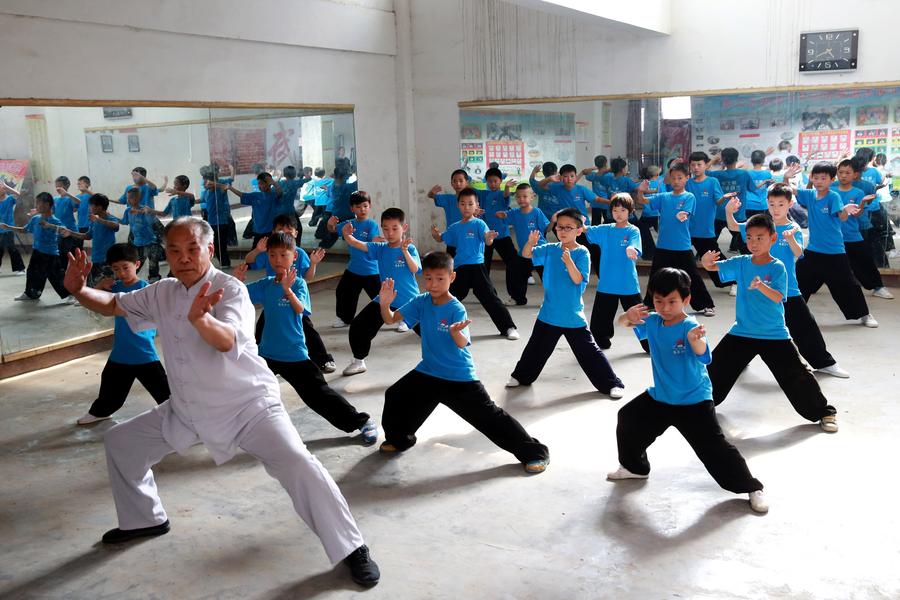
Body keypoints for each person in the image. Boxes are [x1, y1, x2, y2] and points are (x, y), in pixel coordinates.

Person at [61, 217, 380, 587]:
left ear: (209, 250)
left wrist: (201, 319)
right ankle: (145, 519)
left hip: (249, 406)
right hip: (188, 408)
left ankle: (351, 547)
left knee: (298, 463)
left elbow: (228, 340)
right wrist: (80, 290)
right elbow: (115, 304)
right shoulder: (162, 291)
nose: (183, 257)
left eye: (192, 249)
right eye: (174, 250)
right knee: (122, 442)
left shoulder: (230, 289)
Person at [611, 268, 768, 514]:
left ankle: (752, 487)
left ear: (686, 300)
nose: (665, 308)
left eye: (672, 301)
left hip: (694, 401)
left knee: (716, 450)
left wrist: (696, 342)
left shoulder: (690, 326)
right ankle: (635, 468)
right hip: (661, 397)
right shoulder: (653, 321)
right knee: (628, 418)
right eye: (658, 301)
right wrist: (626, 315)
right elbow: (625, 323)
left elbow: (704, 356)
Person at [376, 251, 550, 473]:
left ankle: (535, 453)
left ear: (452, 277)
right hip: (428, 372)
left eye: (440, 278)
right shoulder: (421, 301)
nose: (433, 284)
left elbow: (462, 343)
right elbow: (391, 319)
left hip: (458, 378)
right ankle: (400, 439)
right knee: (395, 395)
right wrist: (385, 304)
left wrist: (455, 332)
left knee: (491, 418)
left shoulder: (456, 308)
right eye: (428, 278)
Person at [702, 213, 840, 434]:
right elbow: (714, 268)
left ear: (773, 238)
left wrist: (761, 286)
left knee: (798, 376)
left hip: (774, 334)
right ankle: (696, 406)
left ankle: (825, 412)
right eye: (749, 237)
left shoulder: (777, 267)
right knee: (715, 370)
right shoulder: (741, 262)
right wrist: (706, 262)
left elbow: (778, 296)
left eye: (760, 238)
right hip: (742, 331)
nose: (754, 243)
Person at [236, 231, 378, 445]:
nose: (277, 260)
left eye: (283, 255)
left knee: (319, 395)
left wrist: (288, 290)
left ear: (294, 256)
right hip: (267, 354)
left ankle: (362, 422)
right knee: (244, 388)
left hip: (294, 355)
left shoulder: (299, 284)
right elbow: (239, 296)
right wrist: (237, 282)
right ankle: (230, 425)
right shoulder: (266, 284)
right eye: (272, 255)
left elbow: (300, 309)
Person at [725, 185, 848, 378]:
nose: (776, 208)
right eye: (772, 204)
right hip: (758, 287)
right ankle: (737, 360)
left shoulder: (793, 228)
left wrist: (790, 239)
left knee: (805, 326)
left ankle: (824, 363)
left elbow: (799, 253)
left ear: (790, 204)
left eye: (781, 204)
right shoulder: (761, 225)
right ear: (767, 203)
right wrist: (728, 211)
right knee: (746, 325)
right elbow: (734, 226)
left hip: (787, 289)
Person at [506, 208, 625, 397]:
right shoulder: (550, 248)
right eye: (560, 227)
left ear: (579, 230)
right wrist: (530, 243)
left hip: (572, 314)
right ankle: (521, 376)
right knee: (535, 349)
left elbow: (578, 280)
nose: (562, 231)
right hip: (549, 312)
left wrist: (569, 262)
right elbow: (527, 255)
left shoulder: (582, 253)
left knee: (590, 353)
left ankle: (611, 384)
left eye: (568, 227)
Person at [75, 243, 171, 426]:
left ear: (137, 264)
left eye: (125, 267)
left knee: (163, 391)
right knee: (110, 387)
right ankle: (100, 412)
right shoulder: (114, 288)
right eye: (116, 269)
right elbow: (94, 302)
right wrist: (99, 286)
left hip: (143, 351)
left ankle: (179, 415)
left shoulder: (145, 289)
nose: (121, 273)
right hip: (121, 350)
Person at [787, 161, 878, 327]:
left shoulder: (833, 196)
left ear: (831, 180)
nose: (819, 181)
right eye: (816, 177)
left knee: (847, 285)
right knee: (797, 281)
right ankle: (788, 314)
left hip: (834, 251)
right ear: (811, 178)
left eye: (824, 178)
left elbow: (842, 218)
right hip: (813, 250)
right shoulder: (809, 194)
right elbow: (789, 190)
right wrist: (786, 178)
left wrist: (845, 210)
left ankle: (864, 314)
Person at [242, 214, 335, 372]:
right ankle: (261, 361)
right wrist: (258, 250)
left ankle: (323, 359)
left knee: (307, 330)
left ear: (296, 234)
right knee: (263, 329)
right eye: (280, 231)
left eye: (289, 231)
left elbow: (308, 276)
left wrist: (313, 264)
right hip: (272, 297)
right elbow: (249, 260)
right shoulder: (269, 251)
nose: (278, 259)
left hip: (294, 299)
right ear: (273, 233)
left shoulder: (298, 253)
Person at [431, 187, 519, 340]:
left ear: (476, 205)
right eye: (463, 204)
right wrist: (436, 234)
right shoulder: (455, 227)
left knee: (490, 298)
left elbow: (487, 240)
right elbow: (441, 238)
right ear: (458, 205)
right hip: (460, 269)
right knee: (448, 297)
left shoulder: (479, 223)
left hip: (477, 268)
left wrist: (489, 238)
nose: (466, 207)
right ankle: (435, 326)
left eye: (470, 204)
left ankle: (508, 327)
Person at [342, 207, 422, 376]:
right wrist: (347, 235)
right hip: (385, 299)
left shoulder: (410, 249)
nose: (390, 233)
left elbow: (415, 269)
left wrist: (405, 251)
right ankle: (358, 361)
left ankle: (448, 360)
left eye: (394, 228)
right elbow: (358, 244)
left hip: (410, 300)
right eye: (386, 228)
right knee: (358, 326)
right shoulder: (380, 248)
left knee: (431, 333)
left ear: (404, 228)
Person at [636, 163, 716, 316]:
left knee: (692, 276)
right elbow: (643, 201)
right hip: (663, 246)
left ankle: (706, 304)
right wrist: (640, 191)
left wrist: (683, 214)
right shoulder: (664, 197)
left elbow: (686, 212)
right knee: (656, 276)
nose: (676, 181)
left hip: (682, 246)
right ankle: (650, 304)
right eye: (673, 178)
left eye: (680, 178)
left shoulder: (689, 197)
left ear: (687, 178)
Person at [585, 195, 643, 350]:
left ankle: (651, 345)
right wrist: (578, 222)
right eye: (615, 210)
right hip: (607, 283)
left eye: (623, 210)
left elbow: (634, 245)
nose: (619, 214)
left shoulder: (633, 230)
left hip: (627, 283)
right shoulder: (605, 229)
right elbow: (585, 230)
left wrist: (631, 248)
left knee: (640, 316)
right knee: (600, 320)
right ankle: (600, 341)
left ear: (630, 211)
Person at [833, 160, 892, 299]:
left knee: (864, 261)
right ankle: (806, 286)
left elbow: (857, 214)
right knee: (817, 262)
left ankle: (878, 287)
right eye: (841, 172)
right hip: (831, 235)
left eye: (847, 173)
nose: (843, 175)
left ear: (855, 174)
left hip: (851, 235)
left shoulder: (859, 192)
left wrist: (862, 203)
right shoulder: (830, 189)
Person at [3, 192, 73, 303]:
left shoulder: (55, 221)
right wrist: (8, 227)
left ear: (47, 205)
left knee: (56, 276)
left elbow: (64, 231)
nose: (36, 205)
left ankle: (69, 295)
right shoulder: (35, 219)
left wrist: (50, 226)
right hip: (37, 251)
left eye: (38, 203)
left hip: (50, 254)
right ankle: (31, 294)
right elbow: (24, 229)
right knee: (32, 273)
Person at [327, 190, 382, 328]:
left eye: (365, 206)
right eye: (358, 207)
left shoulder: (371, 225)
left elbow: (372, 242)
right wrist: (330, 224)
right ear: (352, 209)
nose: (362, 209)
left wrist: (380, 242)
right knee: (343, 292)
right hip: (353, 269)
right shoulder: (348, 224)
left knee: (383, 297)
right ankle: (345, 318)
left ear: (369, 206)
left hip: (371, 270)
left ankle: (402, 318)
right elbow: (333, 229)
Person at [495, 183, 550, 305]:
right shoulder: (514, 212)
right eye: (518, 197)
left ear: (532, 197)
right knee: (515, 271)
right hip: (524, 252)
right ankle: (518, 298)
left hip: (539, 251)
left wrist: (554, 222)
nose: (521, 199)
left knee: (547, 276)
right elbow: (505, 216)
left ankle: (553, 299)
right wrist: (501, 215)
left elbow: (546, 228)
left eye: (525, 196)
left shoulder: (537, 212)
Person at [685, 152, 731, 291]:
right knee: (679, 256)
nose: (696, 167)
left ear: (706, 165)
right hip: (687, 229)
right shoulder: (687, 183)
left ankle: (733, 280)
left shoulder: (712, 181)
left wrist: (724, 198)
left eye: (699, 164)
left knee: (714, 256)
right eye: (693, 165)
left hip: (705, 230)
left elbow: (718, 201)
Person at [475, 167, 520, 301]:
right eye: (490, 181)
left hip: (502, 235)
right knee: (484, 265)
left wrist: (507, 187)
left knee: (513, 261)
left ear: (500, 181)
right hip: (486, 236)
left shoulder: (502, 194)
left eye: (495, 181)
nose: (493, 184)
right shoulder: (483, 194)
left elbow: (506, 195)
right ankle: (486, 293)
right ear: (486, 182)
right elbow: (471, 195)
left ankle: (514, 293)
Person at [59, 193, 121, 286]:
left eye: (91, 206)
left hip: (107, 259)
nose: (89, 208)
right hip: (96, 258)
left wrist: (98, 220)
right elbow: (87, 236)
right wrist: (71, 233)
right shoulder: (94, 221)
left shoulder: (110, 218)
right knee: (92, 286)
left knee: (110, 286)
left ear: (99, 207)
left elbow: (116, 226)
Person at [707, 148, 756, 255]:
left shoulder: (717, 174)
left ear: (722, 160)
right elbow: (753, 188)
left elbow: (703, 172)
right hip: (738, 214)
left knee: (710, 241)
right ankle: (748, 261)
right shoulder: (744, 174)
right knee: (744, 243)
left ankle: (706, 259)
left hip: (719, 213)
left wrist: (713, 160)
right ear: (736, 159)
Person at [226, 172, 283, 248]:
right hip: (257, 232)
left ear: (269, 184)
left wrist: (273, 182)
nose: (259, 186)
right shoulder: (255, 196)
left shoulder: (273, 195)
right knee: (256, 251)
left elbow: (280, 192)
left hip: (270, 231)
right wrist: (230, 188)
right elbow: (242, 195)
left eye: (262, 183)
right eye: (258, 183)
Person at [121, 187, 164, 282]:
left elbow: (155, 224)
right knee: (136, 262)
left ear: (138, 198)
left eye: (130, 198)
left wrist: (163, 240)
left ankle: (154, 281)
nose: (128, 200)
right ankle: (129, 278)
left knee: (153, 263)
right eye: (127, 198)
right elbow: (125, 223)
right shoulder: (128, 211)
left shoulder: (145, 210)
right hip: (138, 242)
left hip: (150, 242)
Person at [427, 169, 469, 257]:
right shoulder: (448, 199)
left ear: (467, 182)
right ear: (451, 184)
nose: (458, 184)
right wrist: (432, 192)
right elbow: (430, 195)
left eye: (461, 181)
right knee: (450, 263)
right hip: (452, 238)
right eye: (455, 181)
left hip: (468, 238)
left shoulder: (473, 199)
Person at [0, 181, 26, 274]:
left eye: (2, 187)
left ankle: (21, 269)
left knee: (11, 248)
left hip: (8, 229)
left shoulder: (10, 199)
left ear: (5, 189)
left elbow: (19, 195)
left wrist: (7, 187)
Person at [53, 176, 79, 258]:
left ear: (66, 186)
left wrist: (67, 194)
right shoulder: (55, 199)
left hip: (70, 231)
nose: (57, 188)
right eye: (56, 186)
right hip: (59, 231)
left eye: (60, 186)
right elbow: (50, 212)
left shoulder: (70, 198)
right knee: (60, 255)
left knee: (70, 255)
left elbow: (78, 202)